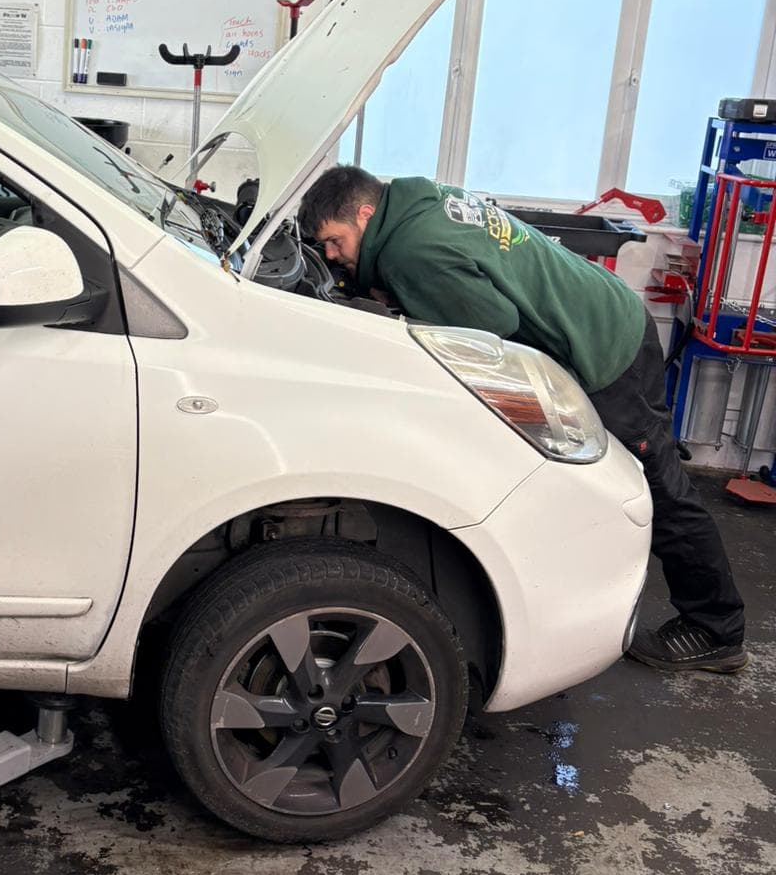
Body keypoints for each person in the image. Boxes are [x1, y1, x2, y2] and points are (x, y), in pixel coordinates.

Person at [298, 166, 747, 674]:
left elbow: (493, 331)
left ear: (364, 213)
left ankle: (717, 628)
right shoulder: (418, 203)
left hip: (603, 349)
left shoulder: (409, 250)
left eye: (335, 241)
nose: (332, 256)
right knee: (641, 476)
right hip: (615, 311)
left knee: (661, 486)